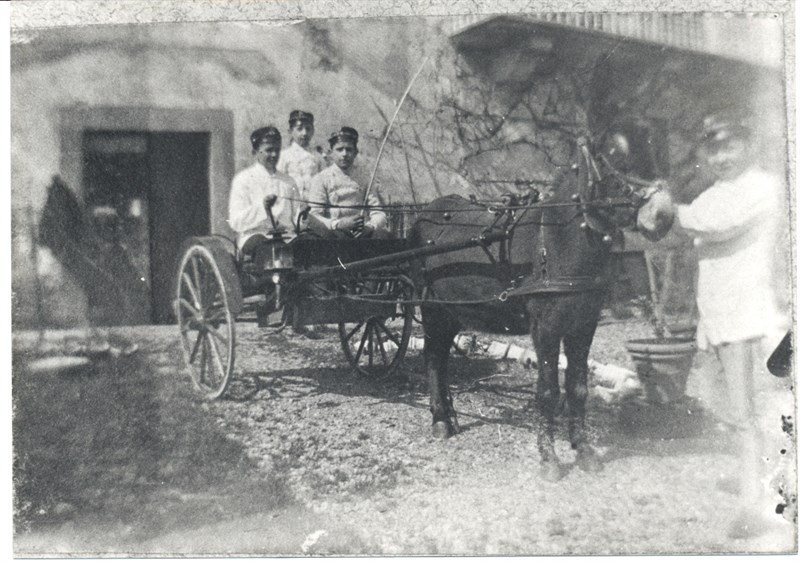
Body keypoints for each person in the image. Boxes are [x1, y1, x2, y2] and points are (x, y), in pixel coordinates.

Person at [639, 107, 792, 539]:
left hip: (752, 317)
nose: (722, 156)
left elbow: (715, 225)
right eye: (714, 149)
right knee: (729, 409)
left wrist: (666, 207)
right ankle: (760, 478)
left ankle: (759, 505)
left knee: (750, 413)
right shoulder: (715, 191)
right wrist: (651, 215)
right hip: (721, 317)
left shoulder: (764, 187)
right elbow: (678, 228)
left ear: (749, 146)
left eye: (731, 146)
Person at [306, 126, 391, 239]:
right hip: (334, 235)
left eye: (349, 149)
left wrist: (370, 227)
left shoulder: (365, 178)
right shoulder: (321, 179)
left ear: (355, 152)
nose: (344, 154)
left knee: (384, 236)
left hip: (361, 235)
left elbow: (379, 213)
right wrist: (338, 224)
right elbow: (314, 216)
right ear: (331, 152)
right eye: (339, 149)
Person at [277, 110, 327, 202]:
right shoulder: (284, 156)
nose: (304, 133)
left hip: (314, 206)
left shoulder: (317, 157)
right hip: (291, 206)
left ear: (313, 131)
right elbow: (278, 185)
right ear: (290, 131)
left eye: (308, 129)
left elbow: (325, 183)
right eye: (299, 129)